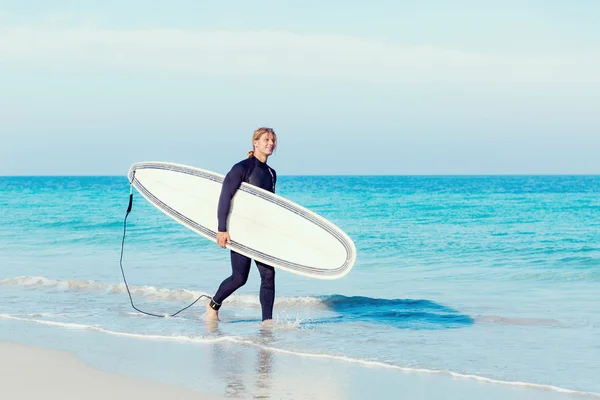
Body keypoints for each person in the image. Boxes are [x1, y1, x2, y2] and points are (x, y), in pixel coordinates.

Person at [205, 127, 278, 323]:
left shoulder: (271, 173)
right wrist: (222, 229)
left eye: (273, 140)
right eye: (266, 140)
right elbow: (225, 197)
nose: (270, 143)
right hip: (241, 231)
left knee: (268, 275)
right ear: (255, 143)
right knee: (239, 278)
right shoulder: (242, 168)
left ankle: (267, 322)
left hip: (261, 232)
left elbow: (268, 206)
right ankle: (213, 305)